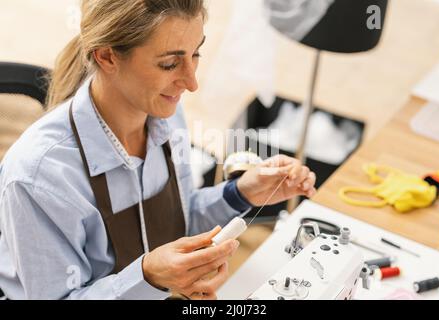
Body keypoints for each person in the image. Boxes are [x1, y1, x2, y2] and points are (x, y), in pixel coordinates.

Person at [0, 0, 316, 300]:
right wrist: (149, 276)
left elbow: (179, 219)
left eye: (196, 55)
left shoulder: (164, 113)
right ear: (107, 56)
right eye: (169, 63)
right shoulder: (40, 177)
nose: (191, 83)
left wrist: (240, 194)